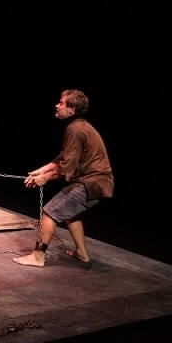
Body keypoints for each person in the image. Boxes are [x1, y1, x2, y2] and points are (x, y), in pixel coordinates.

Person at [13, 89, 114, 268]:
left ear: (72, 109)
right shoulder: (78, 126)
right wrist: (39, 172)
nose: (57, 106)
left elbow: (68, 167)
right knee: (71, 214)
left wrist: (45, 178)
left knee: (49, 213)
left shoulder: (75, 129)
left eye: (61, 103)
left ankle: (38, 256)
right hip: (95, 182)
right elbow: (62, 158)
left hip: (92, 183)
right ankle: (82, 254)